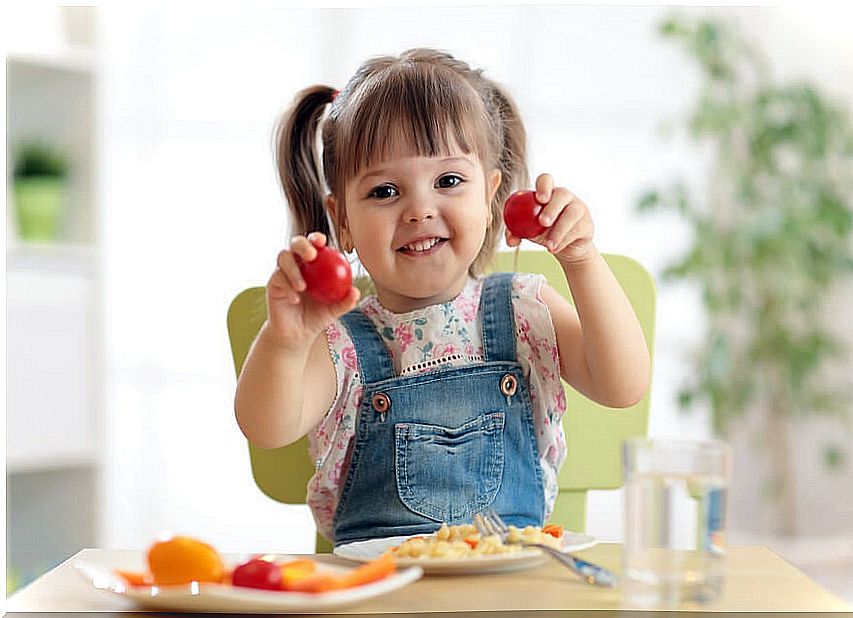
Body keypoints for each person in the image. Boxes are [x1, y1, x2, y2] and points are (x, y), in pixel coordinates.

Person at [235, 48, 650, 546]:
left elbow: (622, 386)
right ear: (341, 219)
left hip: (505, 583)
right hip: (381, 590)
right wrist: (286, 340)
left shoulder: (524, 309)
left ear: (490, 195)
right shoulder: (340, 341)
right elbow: (267, 427)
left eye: (448, 181)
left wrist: (582, 260)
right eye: (385, 192)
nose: (419, 210)